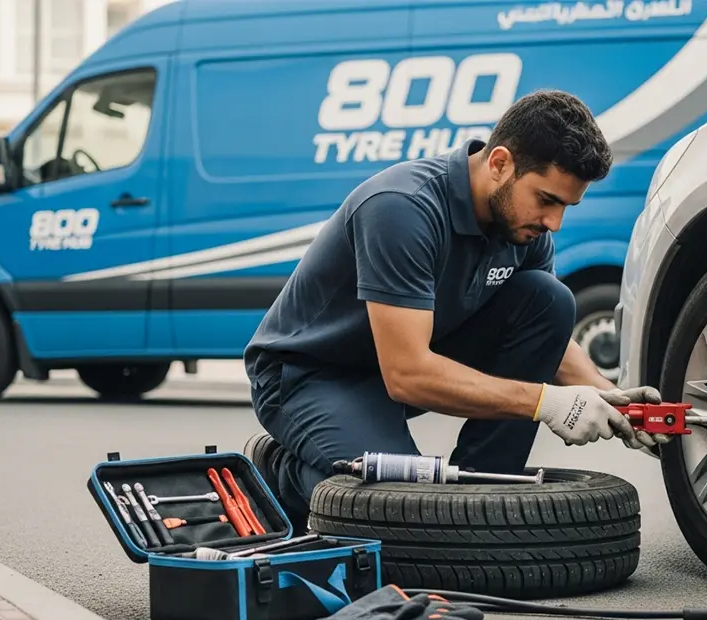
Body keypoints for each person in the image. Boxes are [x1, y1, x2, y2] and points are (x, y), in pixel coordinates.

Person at [244, 89, 671, 528]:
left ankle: (483, 494)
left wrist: (609, 399)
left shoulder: (523, 229)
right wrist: (546, 403)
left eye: (565, 206)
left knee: (549, 299)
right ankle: (282, 471)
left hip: (398, 366)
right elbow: (408, 374)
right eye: (546, 199)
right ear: (500, 163)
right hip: (311, 376)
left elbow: (548, 340)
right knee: (402, 507)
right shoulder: (402, 208)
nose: (554, 223)